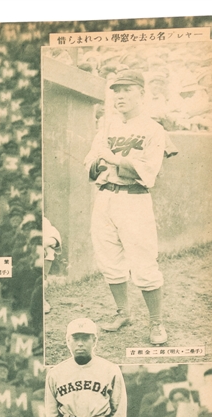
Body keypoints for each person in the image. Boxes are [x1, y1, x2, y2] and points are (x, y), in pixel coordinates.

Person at [83, 69, 176, 345]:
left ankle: (156, 322)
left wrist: (112, 159)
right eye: (116, 90)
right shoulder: (107, 127)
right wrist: (109, 163)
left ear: (141, 93)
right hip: (105, 197)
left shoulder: (153, 129)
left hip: (135, 199)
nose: (120, 95)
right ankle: (123, 312)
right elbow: (90, 165)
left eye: (126, 90)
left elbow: (149, 171)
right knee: (108, 261)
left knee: (144, 265)